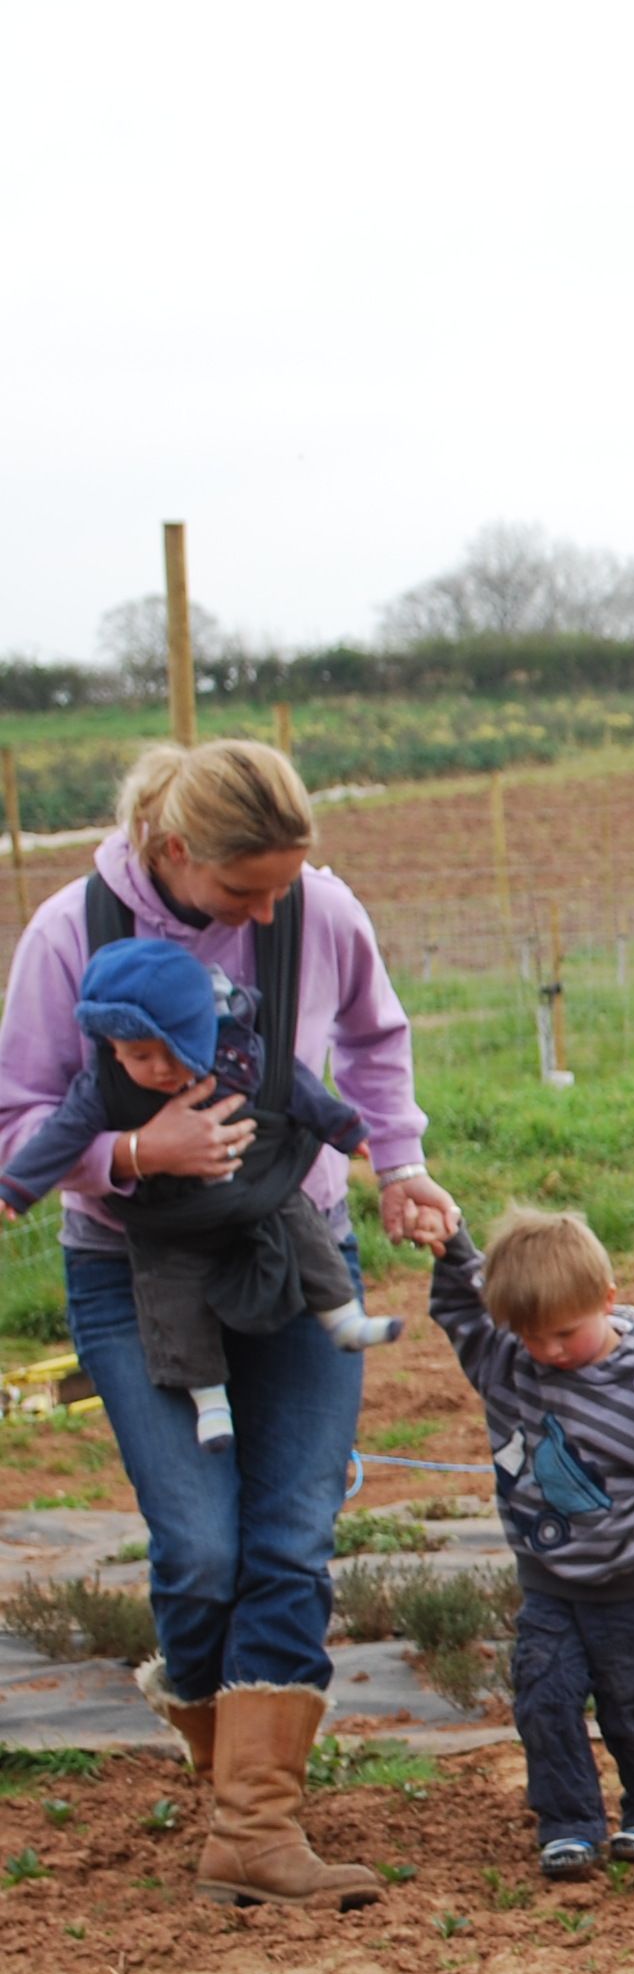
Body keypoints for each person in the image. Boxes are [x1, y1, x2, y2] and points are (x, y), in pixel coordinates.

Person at [0, 739, 458, 1909]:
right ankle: (223, 1770)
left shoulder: (319, 906)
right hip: (130, 1268)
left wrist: (396, 1165)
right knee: (201, 1552)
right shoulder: (71, 934)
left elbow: (370, 1041)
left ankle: (254, 1828)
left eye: (284, 887)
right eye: (244, 892)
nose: (270, 910)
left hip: (295, 1253)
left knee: (294, 1531)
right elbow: (18, 1127)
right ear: (173, 855)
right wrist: (138, 1153)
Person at [427, 1212, 634, 1880]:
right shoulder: (510, 1364)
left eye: (565, 1333)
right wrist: (452, 1243)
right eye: (531, 1337)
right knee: (543, 1698)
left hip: (633, 1584)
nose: (550, 1352)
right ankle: (568, 1823)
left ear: (606, 1299)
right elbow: (461, 1310)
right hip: (549, 1583)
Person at [0, 936, 402, 1444]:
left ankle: (343, 1319)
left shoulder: (238, 1053)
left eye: (174, 1052)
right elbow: (60, 1137)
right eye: (139, 1056)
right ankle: (208, 1399)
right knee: (169, 1297)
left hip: (260, 1196)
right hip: (172, 1222)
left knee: (305, 1227)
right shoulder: (101, 1087)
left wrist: (348, 1132)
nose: (162, 1069)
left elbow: (299, 1089)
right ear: (110, 1047)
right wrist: (17, 1188)